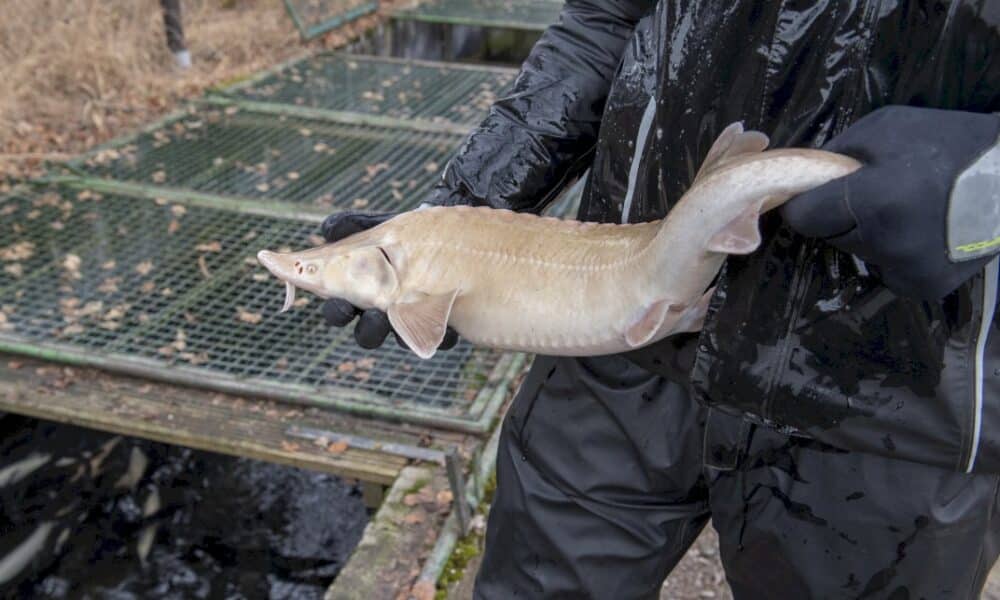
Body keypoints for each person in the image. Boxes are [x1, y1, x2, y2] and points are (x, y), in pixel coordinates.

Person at [321, 2, 1000, 598]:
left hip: (898, 379)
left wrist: (985, 181)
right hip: (612, 326)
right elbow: (604, 21)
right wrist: (447, 222)